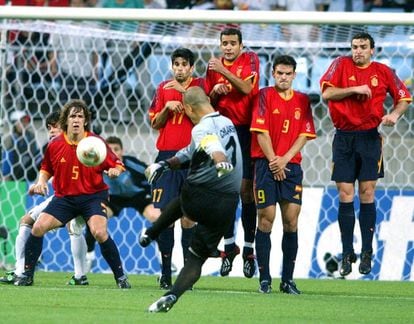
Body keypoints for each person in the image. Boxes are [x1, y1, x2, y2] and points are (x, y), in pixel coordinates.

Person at [140, 86, 242, 312]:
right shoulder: (227, 123)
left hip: (202, 197)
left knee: (186, 189)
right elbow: (190, 151)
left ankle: (152, 232)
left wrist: (219, 160)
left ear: (187, 108)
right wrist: (165, 164)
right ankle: (171, 296)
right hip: (227, 205)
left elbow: (210, 144)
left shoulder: (200, 128)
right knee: (196, 259)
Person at [320, 32, 412, 276]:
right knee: (345, 193)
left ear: (373, 49)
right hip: (343, 137)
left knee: (367, 192)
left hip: (370, 138)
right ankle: (348, 251)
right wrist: (354, 88)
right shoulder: (340, 64)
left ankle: (367, 252)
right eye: (354, 47)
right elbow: (327, 93)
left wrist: (394, 114)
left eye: (362, 47)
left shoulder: (383, 71)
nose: (357, 51)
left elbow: (404, 98)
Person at [13, 99, 131, 289]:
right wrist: (42, 181)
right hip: (65, 198)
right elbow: (46, 168)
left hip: (93, 197)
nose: (76, 120)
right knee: (38, 227)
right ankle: (27, 274)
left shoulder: (95, 142)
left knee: (99, 232)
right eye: (72, 116)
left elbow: (116, 163)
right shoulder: (55, 144)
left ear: (85, 121)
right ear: (65, 120)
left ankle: (121, 277)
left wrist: (116, 170)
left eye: (80, 116)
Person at [250, 55, 316, 294]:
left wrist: (285, 160)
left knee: (291, 222)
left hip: (291, 166)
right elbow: (260, 132)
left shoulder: (302, 100)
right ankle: (265, 279)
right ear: (273, 73)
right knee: (266, 219)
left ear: (295, 75)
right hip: (266, 165)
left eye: (288, 73)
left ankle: (287, 280)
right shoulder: (264, 96)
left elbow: (304, 134)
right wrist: (273, 161)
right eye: (279, 73)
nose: (283, 77)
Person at [148, 47, 205, 290]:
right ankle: (165, 273)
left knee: (189, 219)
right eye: (176, 64)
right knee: (166, 217)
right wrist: (166, 108)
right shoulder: (163, 88)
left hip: (192, 157)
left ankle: (186, 275)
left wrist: (183, 95)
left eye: (184, 64)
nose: (180, 68)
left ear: (192, 67)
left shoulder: (200, 87)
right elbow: (154, 123)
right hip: (167, 157)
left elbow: (204, 120)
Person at [205, 27, 259, 278]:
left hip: (247, 131)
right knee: (225, 193)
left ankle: (249, 250)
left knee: (246, 192)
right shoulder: (212, 68)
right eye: (224, 43)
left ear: (241, 45)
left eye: (232, 43)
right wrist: (215, 93)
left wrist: (223, 72)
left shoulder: (251, 60)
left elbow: (247, 90)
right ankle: (229, 246)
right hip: (223, 132)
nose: (228, 47)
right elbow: (206, 105)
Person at [83, 135, 160, 271]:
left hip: (138, 195)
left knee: (157, 217)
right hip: (113, 198)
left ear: (122, 151)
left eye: (116, 149)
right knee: (95, 218)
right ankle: (89, 256)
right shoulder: (97, 165)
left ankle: (160, 253)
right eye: (109, 149)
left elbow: (150, 173)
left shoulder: (130, 164)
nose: (113, 152)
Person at [2, 110, 41, 181]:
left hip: (28, 168)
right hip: (15, 172)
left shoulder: (30, 136)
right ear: (15, 123)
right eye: (22, 121)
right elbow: (7, 159)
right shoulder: (10, 138)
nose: (25, 124)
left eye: (26, 121)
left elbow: (34, 154)